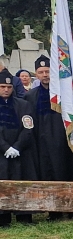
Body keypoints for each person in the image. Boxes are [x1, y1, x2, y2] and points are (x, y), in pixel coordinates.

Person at [31, 55, 73, 214]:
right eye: (41, 72)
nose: (45, 75)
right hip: (42, 143)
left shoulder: (66, 95)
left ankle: (71, 207)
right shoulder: (29, 96)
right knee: (47, 174)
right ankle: (53, 211)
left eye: (47, 71)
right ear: (36, 74)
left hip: (63, 140)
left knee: (66, 170)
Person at [0, 70, 37, 225]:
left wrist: (17, 147)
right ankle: (3, 217)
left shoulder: (24, 105)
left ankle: (24, 216)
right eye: (2, 86)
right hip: (1, 153)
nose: (6, 90)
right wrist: (5, 147)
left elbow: (28, 127)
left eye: (9, 87)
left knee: (23, 181)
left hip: (21, 151)